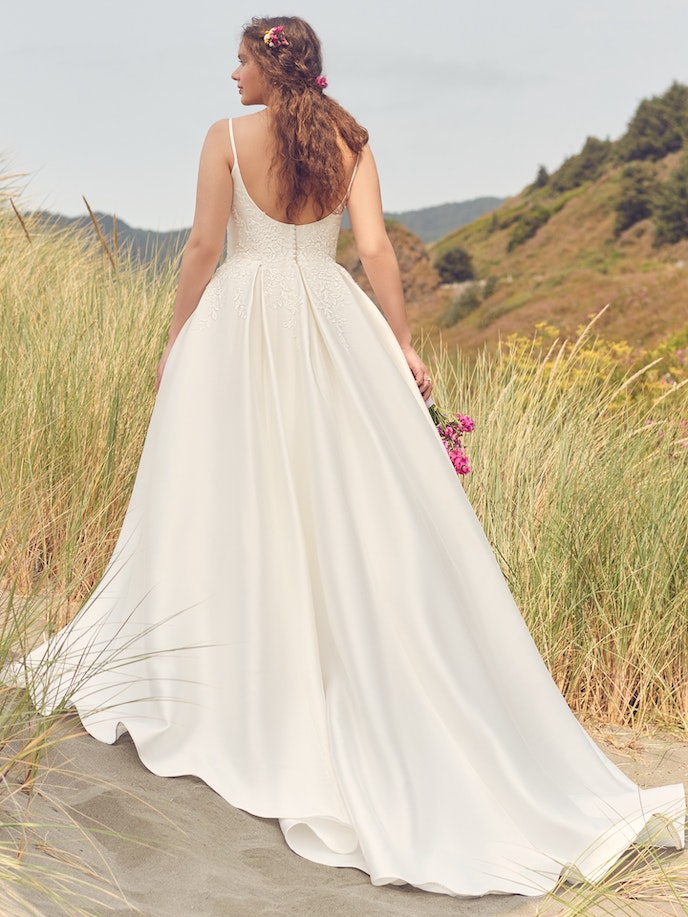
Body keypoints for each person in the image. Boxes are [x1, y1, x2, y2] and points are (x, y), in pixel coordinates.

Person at [19, 15, 684, 898]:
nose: (231, 76)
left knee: (227, 501)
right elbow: (372, 250)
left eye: (241, 60)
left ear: (266, 67)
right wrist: (402, 346)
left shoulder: (223, 139)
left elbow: (203, 249)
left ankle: (234, 674)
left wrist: (176, 339)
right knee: (337, 504)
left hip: (239, 330)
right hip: (332, 327)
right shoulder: (348, 136)